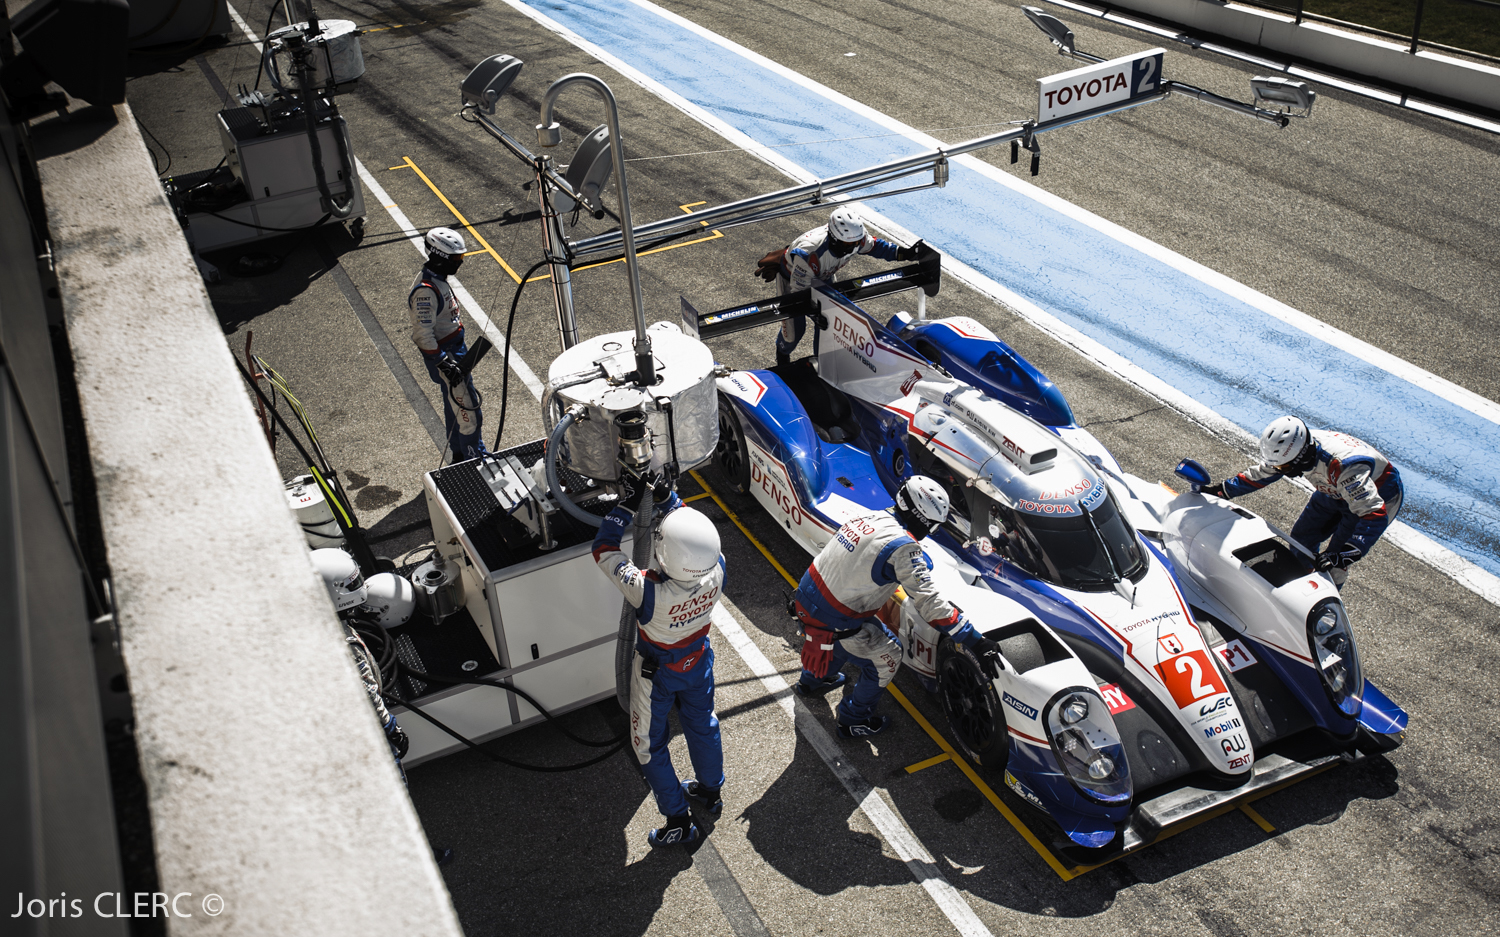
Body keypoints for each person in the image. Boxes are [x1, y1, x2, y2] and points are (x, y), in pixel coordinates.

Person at [791, 476, 999, 737]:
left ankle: (811, 681)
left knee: (860, 632)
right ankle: (854, 720)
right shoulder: (904, 548)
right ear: (924, 521)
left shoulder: (869, 517)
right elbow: (930, 603)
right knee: (887, 654)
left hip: (806, 602)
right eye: (933, 527)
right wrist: (976, 642)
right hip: (836, 620)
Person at [593, 483, 727, 848]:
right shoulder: (717, 569)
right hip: (698, 662)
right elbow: (693, 534)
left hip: (658, 675)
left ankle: (678, 821)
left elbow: (603, 549)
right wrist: (671, 500)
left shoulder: (648, 590)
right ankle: (710, 791)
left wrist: (626, 507)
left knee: (648, 747)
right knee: (702, 723)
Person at [1202, 416, 1403, 586]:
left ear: (1302, 458)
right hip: (1333, 487)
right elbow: (1265, 472)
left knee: (1333, 564)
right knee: (1301, 539)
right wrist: (1222, 490)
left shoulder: (1345, 469)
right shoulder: (1294, 449)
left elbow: (1373, 516)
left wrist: (1345, 554)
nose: (1280, 470)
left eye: (1284, 467)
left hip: (1378, 496)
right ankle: (1300, 581)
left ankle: (1324, 612)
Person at [754, 207, 926, 365]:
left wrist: (905, 253)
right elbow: (800, 293)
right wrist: (814, 312)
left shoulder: (856, 237)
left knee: (828, 325)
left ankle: (823, 364)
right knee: (794, 333)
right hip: (793, 281)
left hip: (823, 276)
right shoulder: (808, 253)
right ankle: (782, 357)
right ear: (834, 238)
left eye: (855, 243)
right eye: (846, 244)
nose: (851, 247)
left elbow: (878, 248)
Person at [410, 227, 488, 463]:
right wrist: (443, 363)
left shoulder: (437, 280)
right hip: (447, 356)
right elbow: (423, 335)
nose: (459, 263)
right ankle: (474, 457)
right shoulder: (425, 291)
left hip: (456, 351)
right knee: (468, 409)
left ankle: (458, 454)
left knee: (453, 406)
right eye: (456, 259)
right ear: (439, 257)